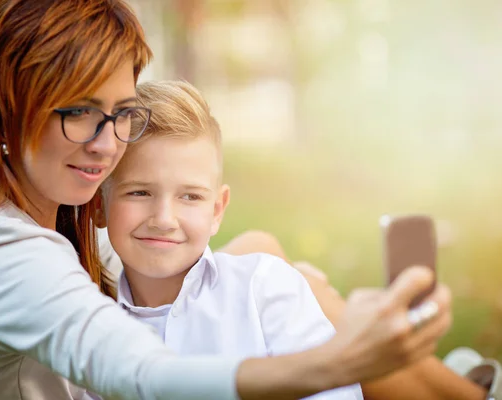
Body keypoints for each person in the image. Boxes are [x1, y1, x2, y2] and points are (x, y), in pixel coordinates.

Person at [0, 0, 451, 399]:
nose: (106, 143)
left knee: (265, 255)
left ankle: (470, 391)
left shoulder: (8, 206)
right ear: (7, 104)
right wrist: (339, 358)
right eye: (76, 112)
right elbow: (144, 374)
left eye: (119, 114)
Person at [100, 80, 364, 399]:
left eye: (190, 196)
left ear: (217, 211)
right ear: (98, 206)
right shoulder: (90, 333)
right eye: (139, 192)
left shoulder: (266, 288)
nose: (164, 219)